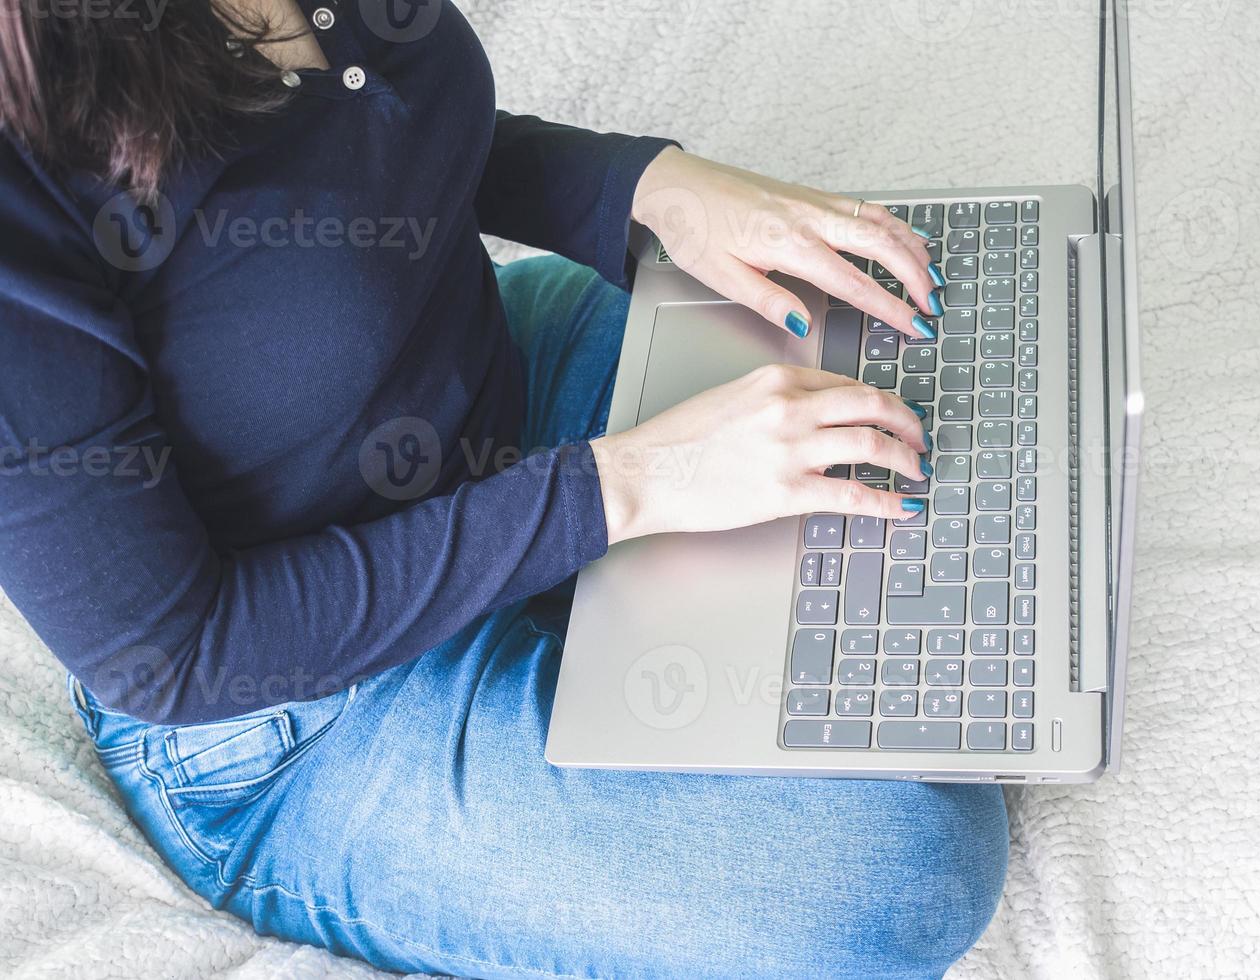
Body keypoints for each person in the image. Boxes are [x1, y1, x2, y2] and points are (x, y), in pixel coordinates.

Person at [0, 0, 1008, 975]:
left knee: (887, 354)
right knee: (905, 864)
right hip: (296, 697)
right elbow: (175, 650)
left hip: (496, 392)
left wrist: (645, 187)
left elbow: (380, 140)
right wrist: (634, 487)